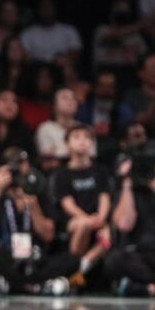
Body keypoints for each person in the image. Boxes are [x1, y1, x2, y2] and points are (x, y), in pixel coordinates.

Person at [0, 147, 78, 294]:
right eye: (13, 165)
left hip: (35, 256)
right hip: (7, 255)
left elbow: (48, 235)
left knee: (72, 259)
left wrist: (34, 208)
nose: (18, 170)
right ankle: (36, 285)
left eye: (22, 164)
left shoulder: (37, 191)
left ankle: (17, 284)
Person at [52, 124, 112, 287]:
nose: (82, 141)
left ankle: (79, 269)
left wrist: (101, 219)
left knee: (109, 234)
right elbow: (67, 204)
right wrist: (88, 219)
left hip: (97, 219)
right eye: (77, 137)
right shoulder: (62, 174)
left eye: (87, 137)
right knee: (83, 225)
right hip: (73, 220)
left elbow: (104, 197)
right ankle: (70, 267)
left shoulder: (100, 171)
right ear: (67, 143)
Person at [106, 156, 155, 296]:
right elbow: (124, 224)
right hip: (139, 255)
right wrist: (127, 184)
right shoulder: (124, 193)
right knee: (115, 260)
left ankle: (146, 289)